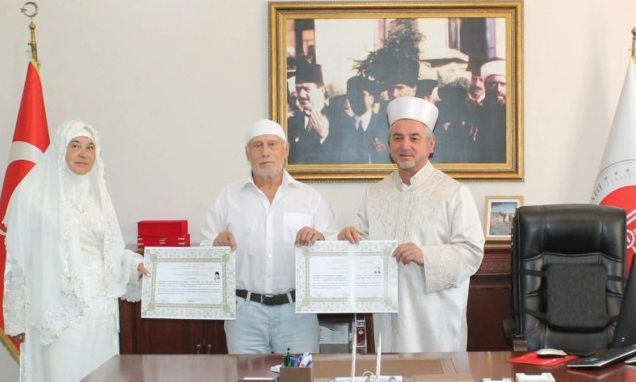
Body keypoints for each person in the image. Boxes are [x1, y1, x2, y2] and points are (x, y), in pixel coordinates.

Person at [3, 120, 148, 382]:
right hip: (57, 314)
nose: (84, 153)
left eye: (90, 147)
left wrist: (134, 265)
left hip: (99, 313)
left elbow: (111, 251)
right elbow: (17, 259)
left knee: (101, 374)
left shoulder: (98, 197)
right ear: (61, 149)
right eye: (75, 145)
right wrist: (16, 317)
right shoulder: (33, 195)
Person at [338, 97, 485, 352]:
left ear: (431, 144)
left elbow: (472, 252)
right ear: (389, 146)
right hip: (387, 321)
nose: (405, 145)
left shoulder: (454, 193)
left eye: (414, 138)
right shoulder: (374, 194)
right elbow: (362, 247)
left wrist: (425, 255)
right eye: (398, 138)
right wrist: (346, 238)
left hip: (436, 320)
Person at [200, 119, 337, 354]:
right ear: (247, 153)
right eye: (258, 145)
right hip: (244, 314)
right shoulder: (228, 198)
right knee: (246, 373)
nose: (265, 152)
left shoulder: (309, 198)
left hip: (298, 313)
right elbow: (204, 249)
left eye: (272, 144)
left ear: (286, 150)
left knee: (299, 373)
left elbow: (334, 248)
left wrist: (320, 239)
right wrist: (216, 244)